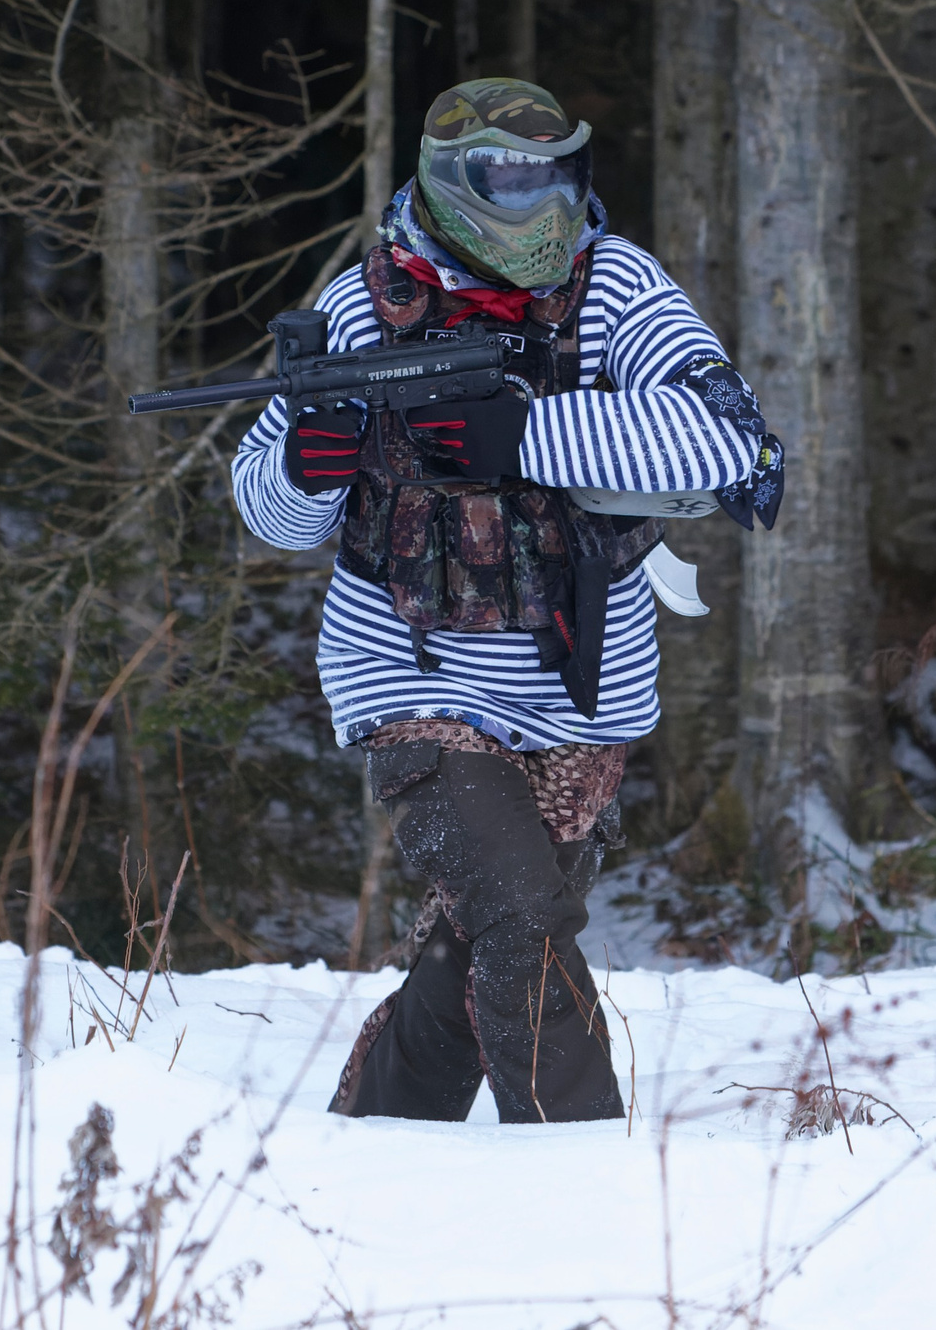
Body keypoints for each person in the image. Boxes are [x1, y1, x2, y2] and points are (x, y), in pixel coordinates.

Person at [230, 77, 781, 1124]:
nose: (539, 206)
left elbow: (729, 441)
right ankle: (578, 1163)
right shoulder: (362, 308)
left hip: (578, 692)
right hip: (410, 672)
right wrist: (308, 464)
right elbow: (269, 513)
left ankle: (378, 1139)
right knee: (523, 920)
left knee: (474, 947)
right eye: (508, 181)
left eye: (555, 177)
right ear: (450, 185)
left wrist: (524, 434)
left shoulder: (616, 286)